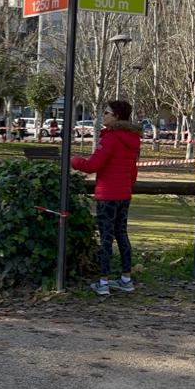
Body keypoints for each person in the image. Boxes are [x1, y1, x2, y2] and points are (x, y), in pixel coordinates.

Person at [71, 100, 141, 297]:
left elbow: (94, 165)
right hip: (124, 194)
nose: (104, 115)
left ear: (117, 116)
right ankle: (126, 278)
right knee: (122, 234)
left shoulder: (111, 138)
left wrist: (74, 161)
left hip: (107, 195)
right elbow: (132, 170)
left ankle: (103, 281)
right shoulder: (132, 139)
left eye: (107, 112)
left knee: (106, 238)